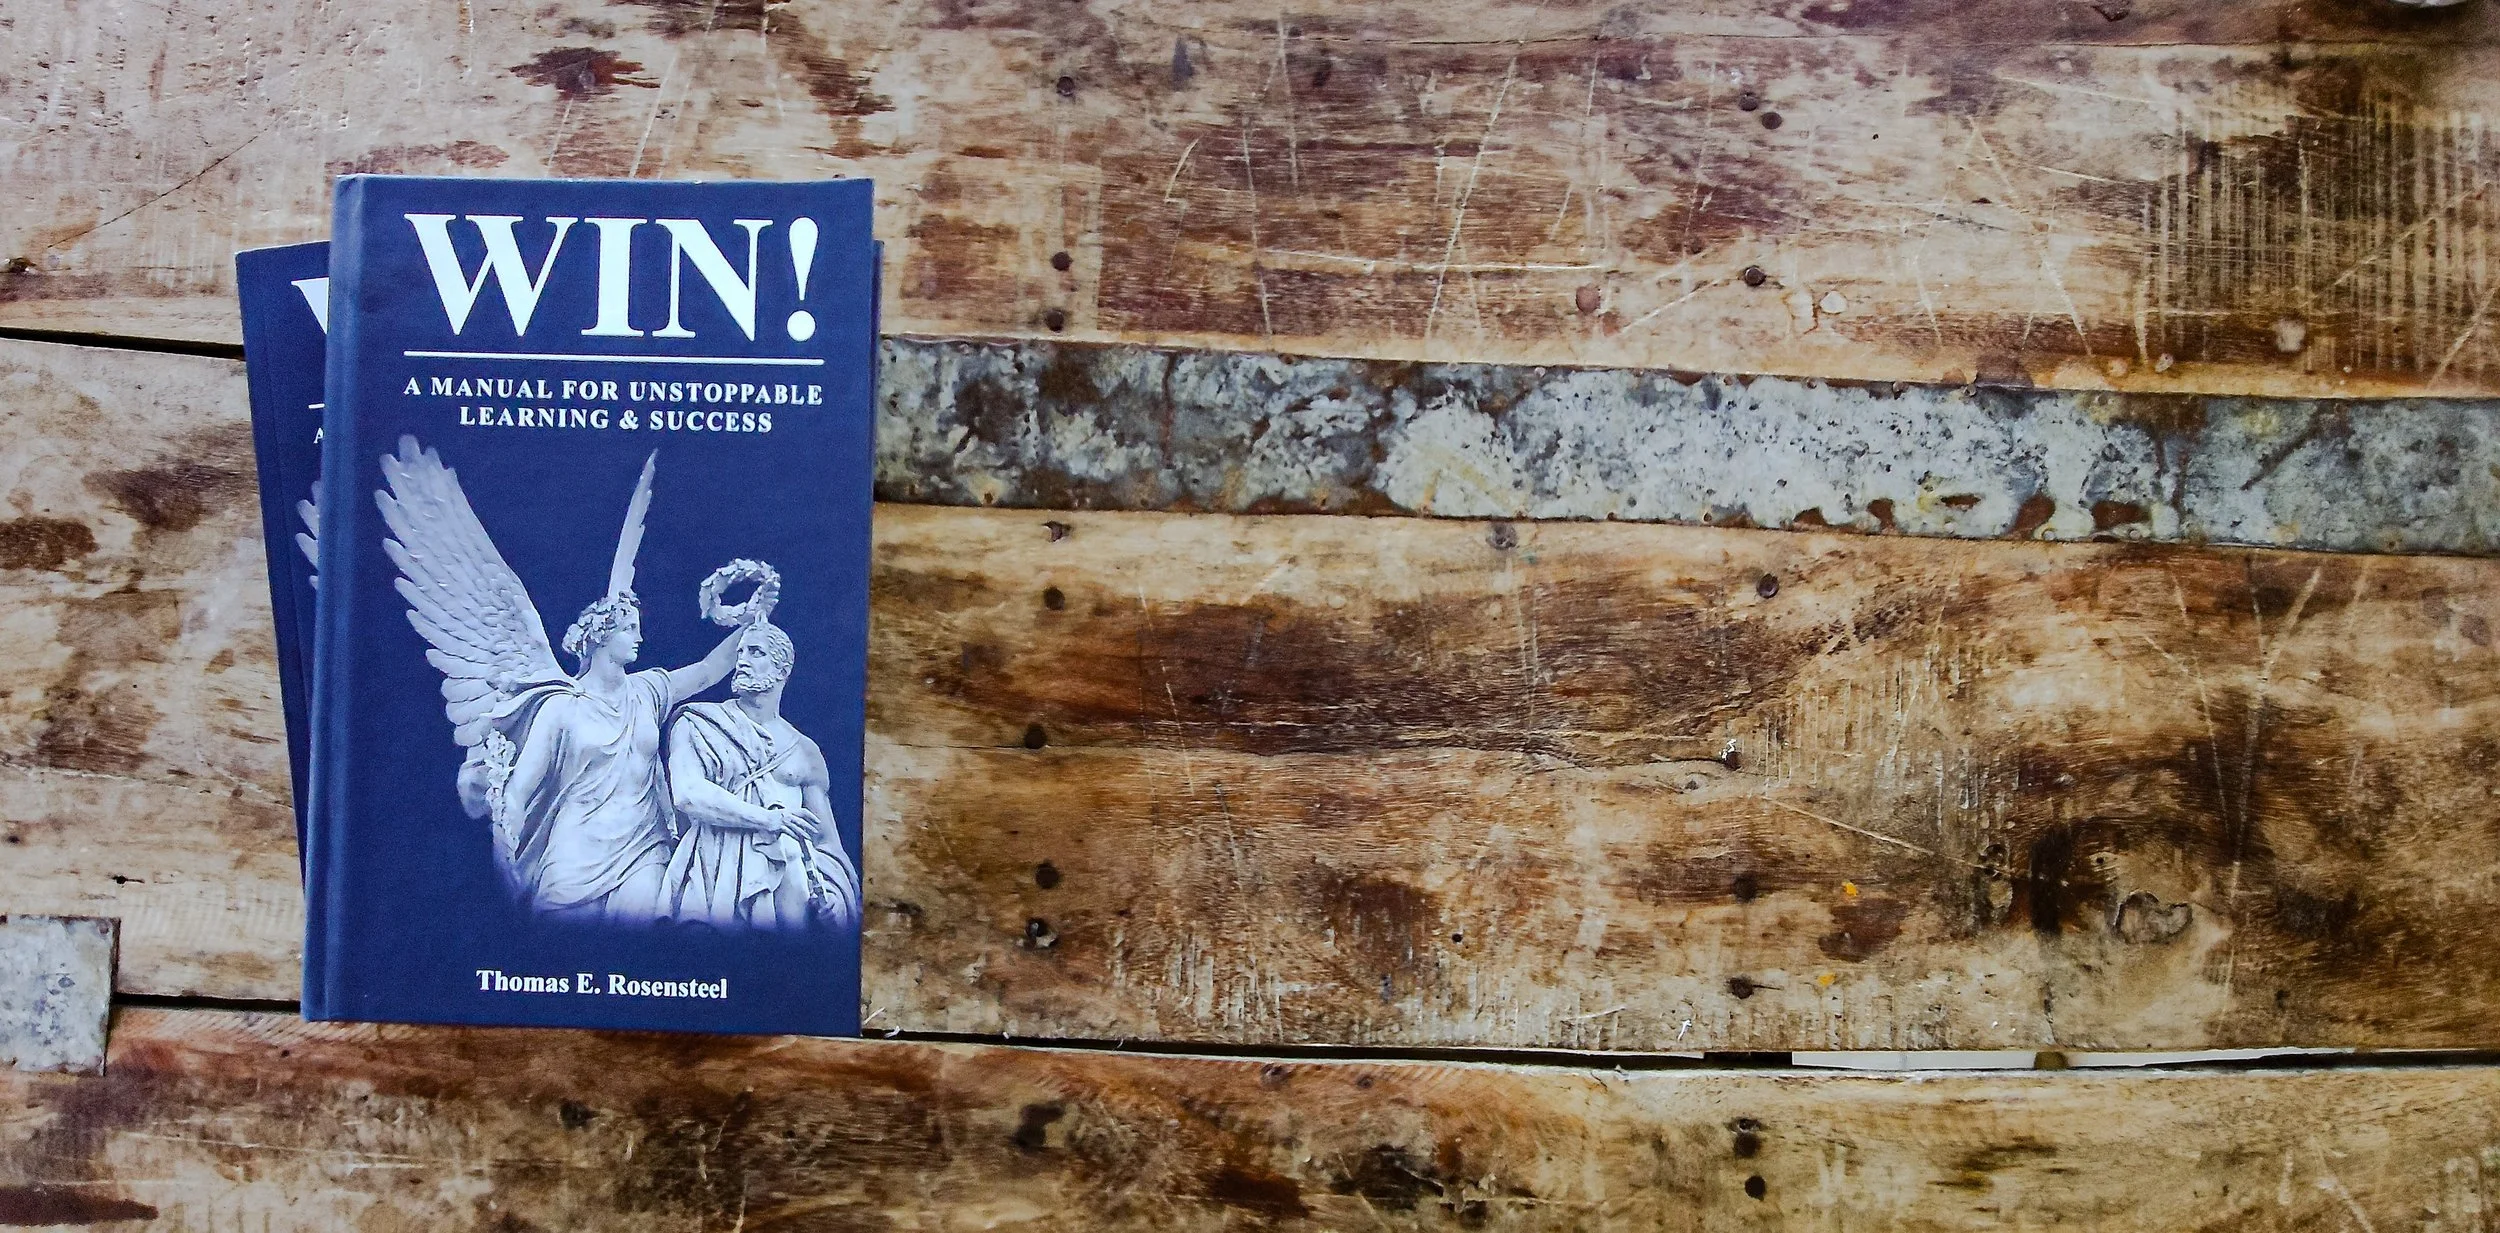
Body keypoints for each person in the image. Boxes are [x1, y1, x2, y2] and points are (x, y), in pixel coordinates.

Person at [456, 593, 741, 925]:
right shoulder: (561, 707)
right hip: (575, 849)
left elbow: (707, 671)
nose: (639, 637)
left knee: (639, 940)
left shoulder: (648, 690)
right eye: (629, 628)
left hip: (643, 846)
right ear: (602, 636)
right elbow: (519, 791)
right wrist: (504, 848)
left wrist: (752, 625)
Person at [656, 620, 861, 932]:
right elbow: (688, 793)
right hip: (712, 873)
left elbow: (826, 842)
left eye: (755, 652)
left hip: (787, 894)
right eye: (740, 652)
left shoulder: (804, 751)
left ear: (782, 670)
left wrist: (834, 899)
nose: (742, 660)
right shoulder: (699, 723)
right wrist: (770, 819)